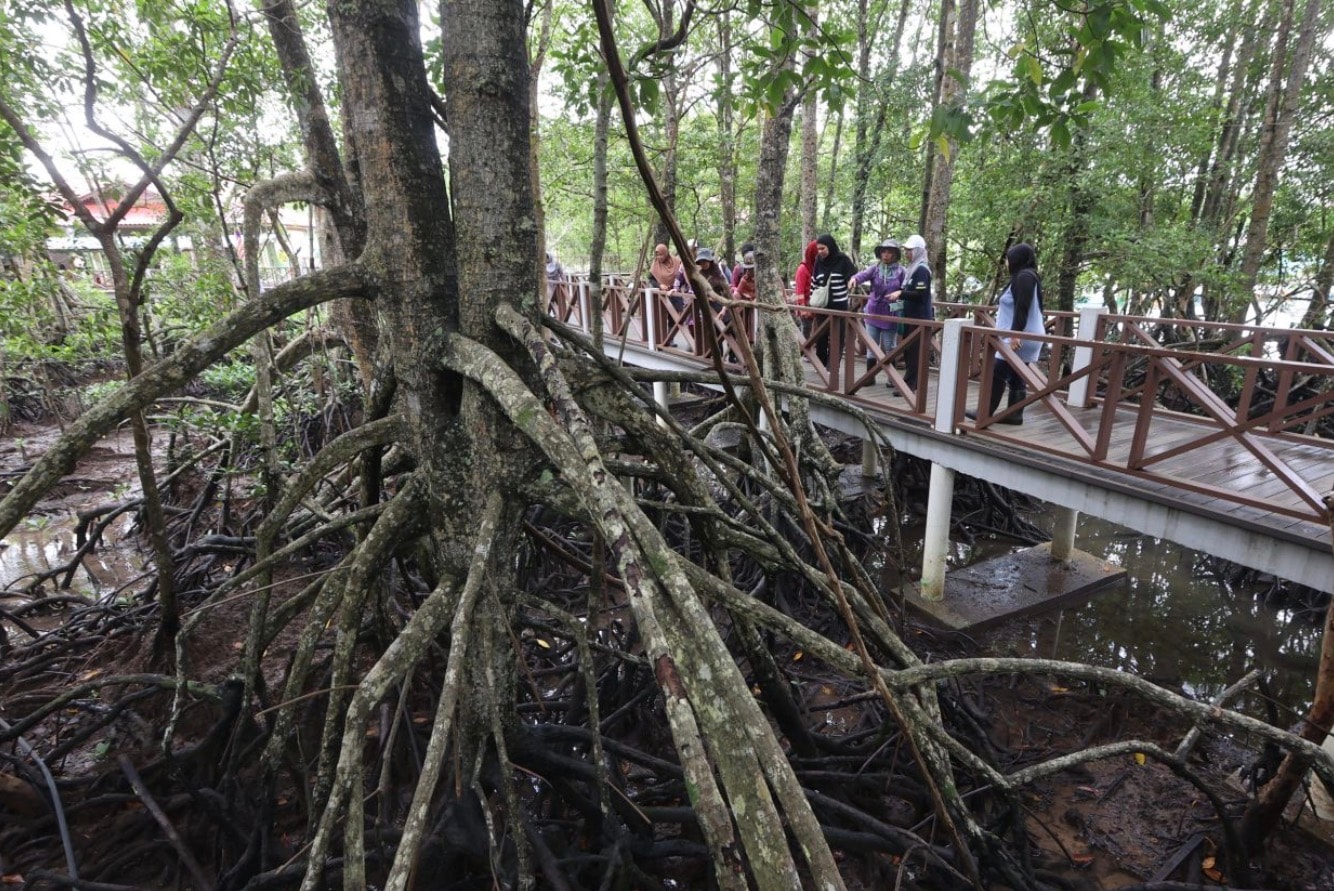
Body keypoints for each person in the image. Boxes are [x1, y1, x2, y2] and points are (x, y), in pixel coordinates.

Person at [967, 243, 1044, 425]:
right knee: (1017, 374)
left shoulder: (1024, 277)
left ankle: (984, 413)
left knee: (997, 372)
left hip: (1019, 336)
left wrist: (1015, 334)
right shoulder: (1027, 275)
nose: (1007, 263)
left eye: (1009, 259)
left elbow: (1022, 306)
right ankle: (1014, 414)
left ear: (1017, 259)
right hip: (1027, 335)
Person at [852, 239, 905, 384]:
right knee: (872, 345)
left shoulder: (901, 271)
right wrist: (854, 279)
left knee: (889, 346)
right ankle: (870, 377)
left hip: (891, 313)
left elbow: (906, 290)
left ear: (895, 254)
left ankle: (892, 379)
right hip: (873, 311)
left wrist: (899, 301)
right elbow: (862, 276)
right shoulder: (875, 269)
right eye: (884, 252)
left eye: (889, 252)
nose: (886, 255)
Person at [892, 234, 933, 389]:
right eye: (905, 250)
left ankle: (910, 384)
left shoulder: (921, 270)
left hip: (919, 318)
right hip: (910, 317)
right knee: (909, 351)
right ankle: (910, 382)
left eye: (909, 250)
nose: (906, 253)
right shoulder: (912, 268)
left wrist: (901, 293)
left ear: (917, 251)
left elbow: (920, 294)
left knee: (915, 352)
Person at [811, 233, 858, 367]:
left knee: (837, 339)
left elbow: (852, 276)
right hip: (822, 307)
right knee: (820, 338)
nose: (820, 252)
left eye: (823, 248)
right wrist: (811, 301)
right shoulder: (818, 261)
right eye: (818, 249)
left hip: (839, 307)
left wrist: (851, 281)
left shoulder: (843, 260)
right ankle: (821, 366)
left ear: (830, 246)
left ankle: (832, 368)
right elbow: (814, 281)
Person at [792, 239, 818, 340]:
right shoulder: (803, 269)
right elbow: (799, 290)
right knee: (805, 333)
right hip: (805, 308)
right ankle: (802, 349)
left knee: (815, 333)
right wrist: (803, 309)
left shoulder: (817, 268)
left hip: (815, 307)